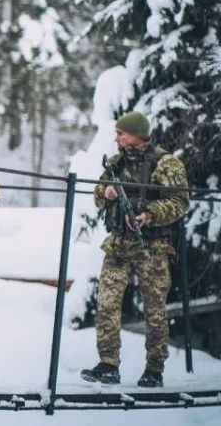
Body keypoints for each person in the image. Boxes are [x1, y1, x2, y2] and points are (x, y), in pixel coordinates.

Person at [81, 111, 188, 388]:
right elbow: (97, 195)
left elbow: (179, 202)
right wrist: (106, 193)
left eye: (121, 133)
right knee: (106, 303)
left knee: (154, 310)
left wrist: (149, 215)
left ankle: (154, 369)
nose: (116, 138)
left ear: (137, 135)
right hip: (118, 245)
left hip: (152, 247)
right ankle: (108, 364)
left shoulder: (166, 164)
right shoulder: (116, 164)